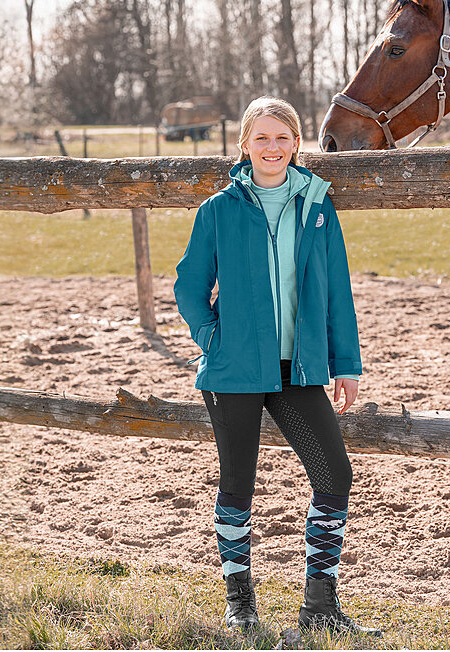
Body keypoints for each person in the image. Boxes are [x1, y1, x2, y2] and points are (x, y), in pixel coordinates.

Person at [174, 96, 380, 636]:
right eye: (261, 138)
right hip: (233, 370)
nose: (272, 148)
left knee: (334, 476)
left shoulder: (317, 206)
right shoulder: (218, 210)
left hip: (299, 369)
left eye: (282, 138)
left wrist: (346, 364)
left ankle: (320, 608)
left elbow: (337, 290)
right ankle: (240, 602)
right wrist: (211, 339)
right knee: (238, 484)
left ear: (296, 144)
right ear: (244, 145)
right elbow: (190, 287)